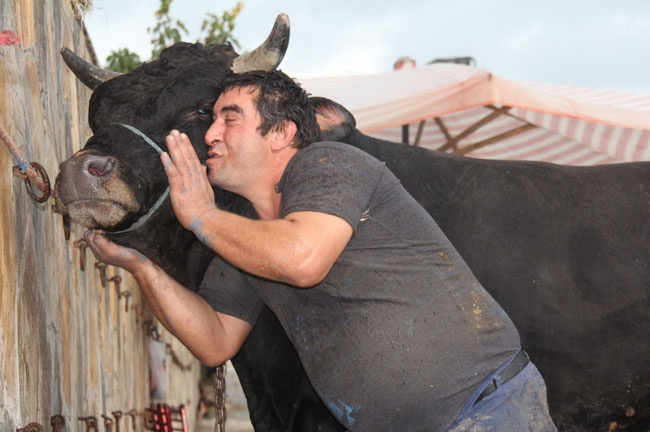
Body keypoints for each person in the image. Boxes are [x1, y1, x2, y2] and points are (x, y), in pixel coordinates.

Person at [85, 69, 557, 431]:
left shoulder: (330, 163)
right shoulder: (244, 233)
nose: (210, 134)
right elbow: (214, 341)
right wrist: (141, 266)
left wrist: (201, 216)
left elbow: (302, 259)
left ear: (283, 133)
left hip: (488, 412)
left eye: (230, 118)